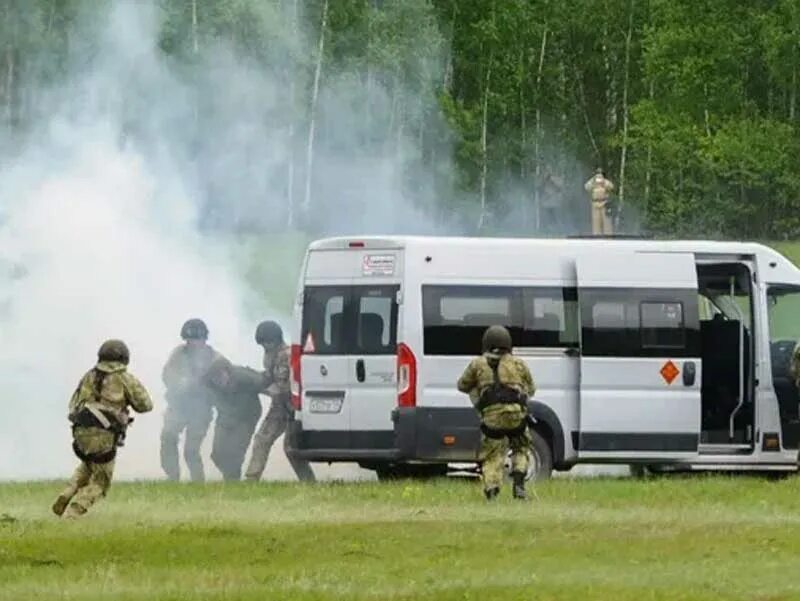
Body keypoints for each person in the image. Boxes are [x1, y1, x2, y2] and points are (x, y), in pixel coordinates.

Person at [52, 340, 152, 518]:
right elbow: (145, 405)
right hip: (104, 434)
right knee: (101, 481)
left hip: (80, 430)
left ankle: (68, 491)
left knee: (89, 465)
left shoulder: (89, 375)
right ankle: (74, 511)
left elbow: (74, 403)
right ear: (124, 358)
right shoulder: (123, 378)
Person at [457, 325, 535, 500]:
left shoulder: (477, 364)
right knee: (521, 447)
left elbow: (462, 385)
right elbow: (531, 389)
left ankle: (492, 490)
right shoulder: (518, 363)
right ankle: (519, 483)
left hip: (492, 419)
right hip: (517, 417)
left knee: (492, 455)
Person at [244, 320, 316, 482]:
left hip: (291, 408)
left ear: (275, 340)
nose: (264, 347)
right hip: (280, 407)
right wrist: (253, 377)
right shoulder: (272, 355)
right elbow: (270, 377)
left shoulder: (286, 356)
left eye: (266, 343)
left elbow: (282, 389)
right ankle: (252, 478)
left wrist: (260, 388)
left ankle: (308, 481)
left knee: (290, 448)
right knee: (264, 440)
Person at [160, 318, 221, 482]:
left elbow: (221, 385)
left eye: (197, 339)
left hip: (200, 410)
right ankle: (172, 476)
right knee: (168, 437)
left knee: (191, 450)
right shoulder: (178, 354)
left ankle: (198, 482)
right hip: (178, 406)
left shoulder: (215, 359)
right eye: (189, 340)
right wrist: (180, 383)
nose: (193, 344)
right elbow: (167, 375)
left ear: (204, 339)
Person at [205, 356, 264, 481]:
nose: (218, 381)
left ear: (227, 372)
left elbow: (263, 382)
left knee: (235, 453)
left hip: (247, 418)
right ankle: (230, 477)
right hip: (225, 417)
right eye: (215, 378)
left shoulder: (244, 377)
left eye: (220, 376)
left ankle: (232, 481)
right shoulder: (208, 383)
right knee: (217, 454)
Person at [584, 167, 615, 235]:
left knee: (607, 222)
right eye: (598, 173)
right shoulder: (592, 182)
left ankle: (608, 236)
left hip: (604, 203)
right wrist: (593, 180)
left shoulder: (605, 182)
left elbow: (611, 187)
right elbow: (586, 187)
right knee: (596, 222)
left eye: (600, 174)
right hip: (595, 203)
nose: (599, 176)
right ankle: (596, 236)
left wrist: (603, 182)